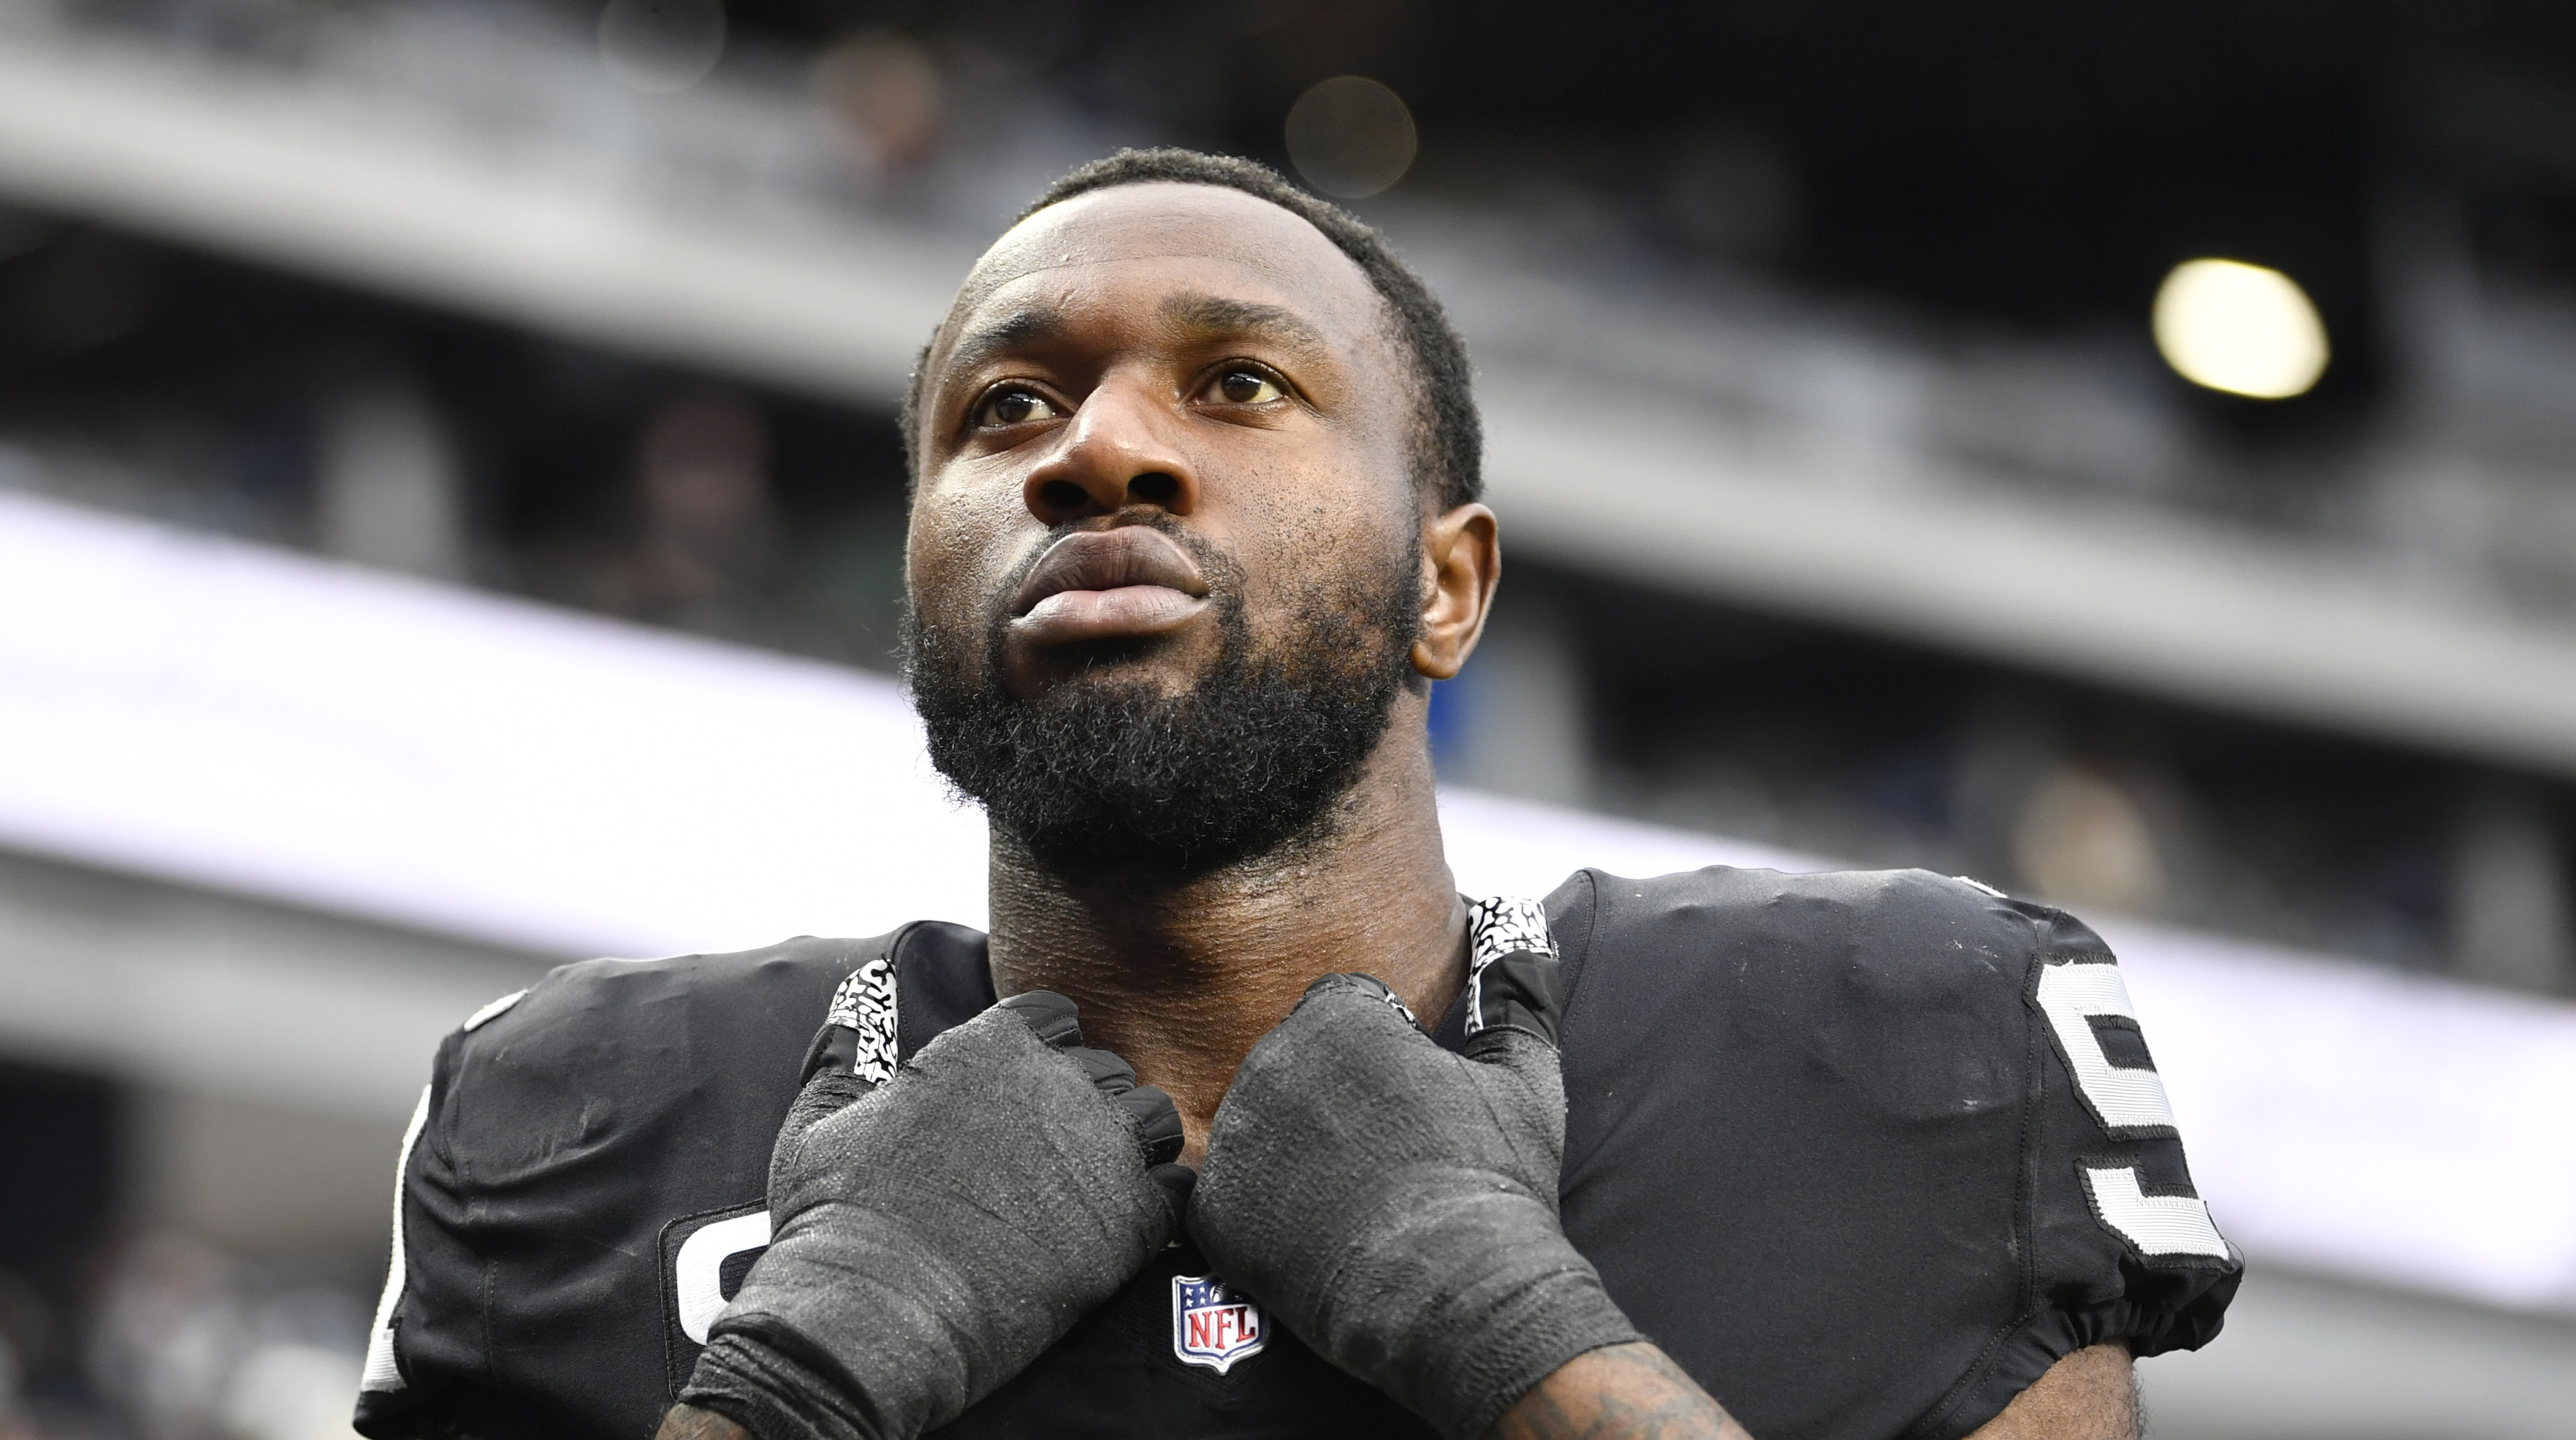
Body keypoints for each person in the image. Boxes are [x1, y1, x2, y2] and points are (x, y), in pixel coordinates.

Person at [352, 149, 2238, 1440]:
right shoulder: (575, 1110)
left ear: (1450, 585)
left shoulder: (1890, 1028)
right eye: (1005, 410)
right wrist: (818, 1362)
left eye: (1239, 386)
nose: (1097, 450)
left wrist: (1504, 1321)